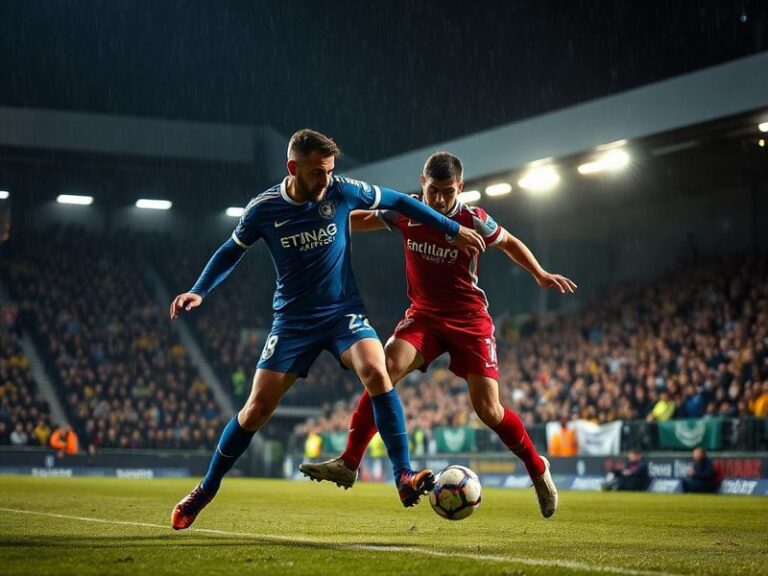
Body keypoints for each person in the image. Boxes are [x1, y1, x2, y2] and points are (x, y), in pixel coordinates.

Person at [169, 130, 486, 530]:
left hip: (343, 315)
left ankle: (403, 477)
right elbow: (231, 250)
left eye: (331, 170)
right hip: (293, 321)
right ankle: (206, 488)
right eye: (318, 172)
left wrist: (451, 229)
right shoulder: (263, 209)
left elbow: (402, 201)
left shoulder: (342, 190)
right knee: (256, 410)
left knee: (377, 371)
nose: (327, 180)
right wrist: (199, 290)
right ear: (293, 169)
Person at [300, 151, 576, 518]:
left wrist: (539, 273)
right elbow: (362, 219)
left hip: (469, 320)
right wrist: (324, 221)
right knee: (382, 371)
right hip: (424, 318)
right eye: (434, 190)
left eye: (448, 191)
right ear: (422, 183)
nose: (440, 199)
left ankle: (537, 470)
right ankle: (349, 462)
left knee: (489, 409)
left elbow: (508, 242)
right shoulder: (409, 211)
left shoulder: (473, 219)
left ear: (460, 187)